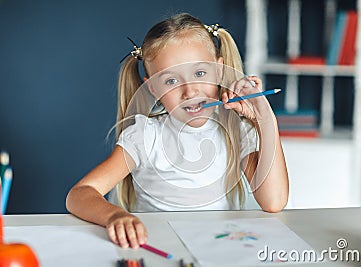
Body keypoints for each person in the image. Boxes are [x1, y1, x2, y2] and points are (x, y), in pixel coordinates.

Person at [66, 13, 288, 249]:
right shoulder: (145, 135)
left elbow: (273, 201)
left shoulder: (236, 129)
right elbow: (79, 194)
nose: (189, 91)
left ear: (219, 70)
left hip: (217, 249)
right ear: (152, 87)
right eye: (171, 81)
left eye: (200, 73)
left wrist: (265, 119)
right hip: (157, 249)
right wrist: (114, 215)